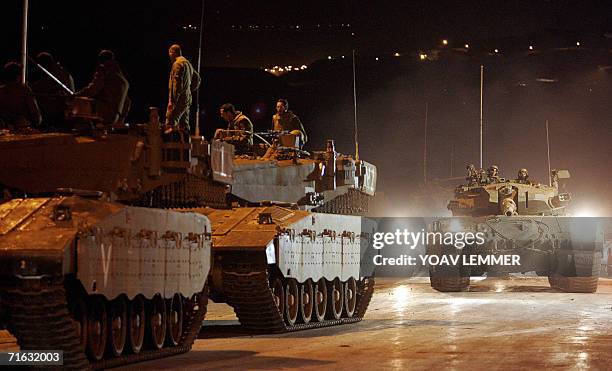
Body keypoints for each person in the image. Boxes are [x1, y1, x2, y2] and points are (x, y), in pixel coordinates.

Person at [76, 50, 129, 125]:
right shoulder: (123, 79)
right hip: (116, 117)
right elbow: (127, 102)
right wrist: (120, 120)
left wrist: (76, 96)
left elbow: (92, 89)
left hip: (102, 114)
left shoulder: (105, 71)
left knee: (81, 102)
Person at [31, 52, 75, 127]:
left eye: (41, 66)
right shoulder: (58, 71)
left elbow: (44, 85)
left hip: (61, 111)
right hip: (60, 109)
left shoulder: (57, 73)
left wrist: (28, 88)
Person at [165, 44, 200, 133]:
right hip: (187, 97)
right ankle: (185, 144)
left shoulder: (177, 64)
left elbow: (177, 84)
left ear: (172, 52)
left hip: (179, 98)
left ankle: (171, 144)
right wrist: (189, 89)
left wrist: (173, 100)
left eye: (169, 54)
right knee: (184, 124)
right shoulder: (187, 63)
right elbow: (197, 79)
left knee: (171, 120)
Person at [0, 62, 42, 129]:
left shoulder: (1, 91)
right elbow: (36, 116)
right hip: (23, 128)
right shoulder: (24, 90)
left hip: (5, 129)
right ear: (18, 76)